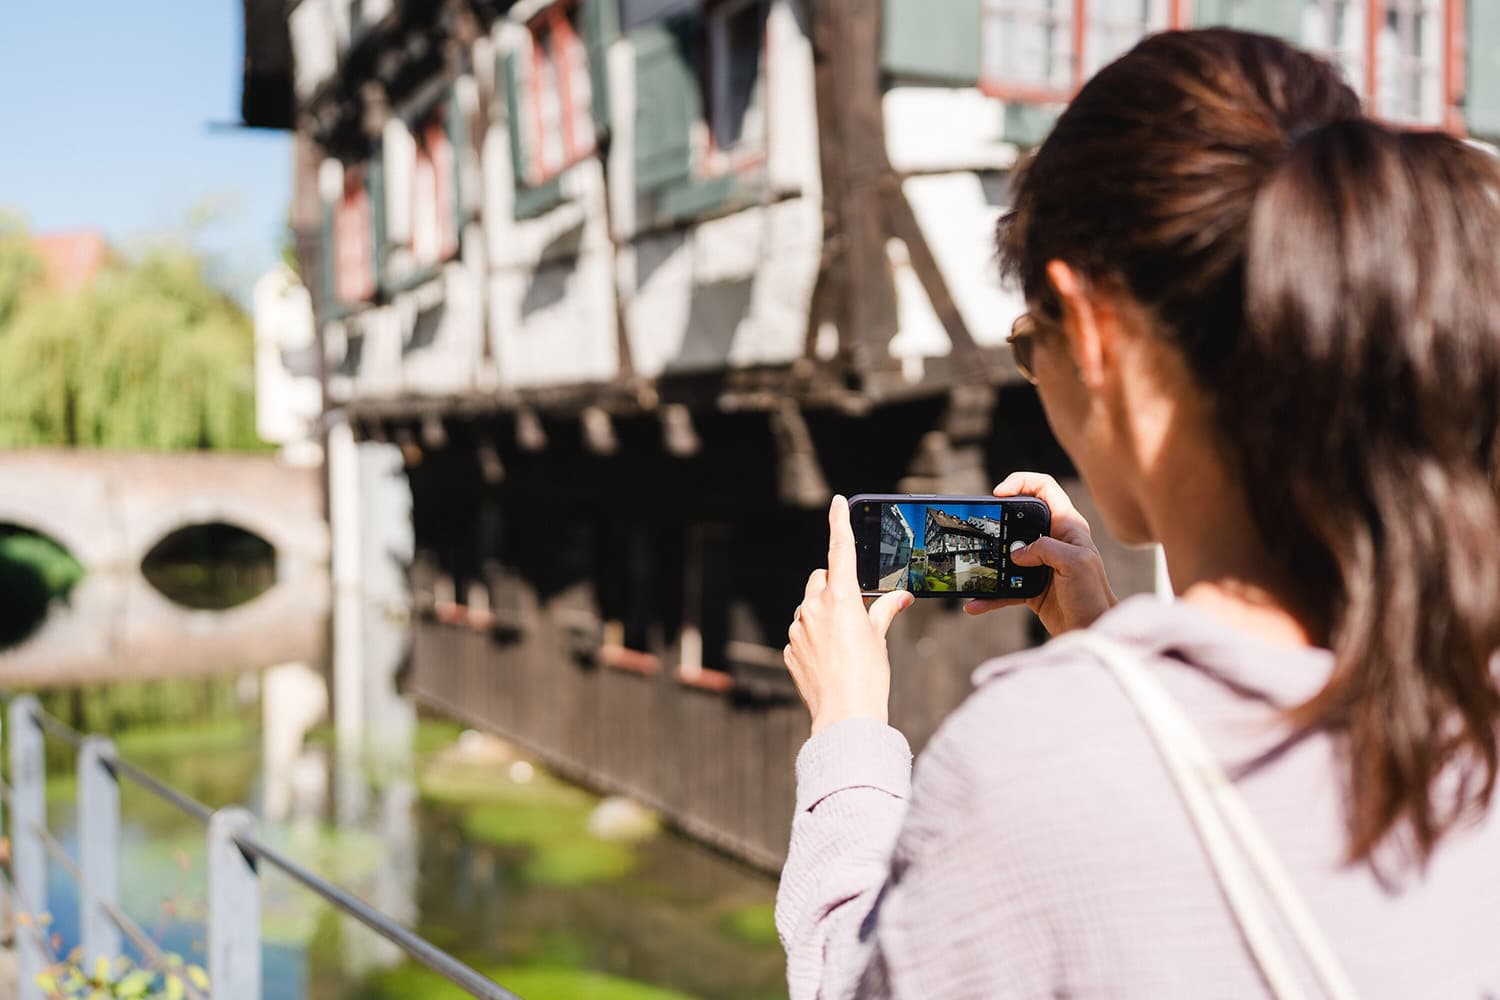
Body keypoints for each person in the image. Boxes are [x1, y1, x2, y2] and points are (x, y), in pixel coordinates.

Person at [778, 28, 1500, 999]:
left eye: (1032, 342)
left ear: (1099, 338)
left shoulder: (1036, 756)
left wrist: (849, 737)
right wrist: (1112, 640)